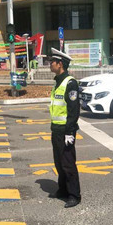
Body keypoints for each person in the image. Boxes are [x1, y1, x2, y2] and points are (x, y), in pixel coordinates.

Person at [48, 48, 81, 208]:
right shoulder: (58, 82)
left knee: (68, 164)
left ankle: (74, 195)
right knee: (59, 163)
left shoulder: (70, 83)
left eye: (52, 62)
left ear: (60, 64)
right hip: (56, 130)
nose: (50, 64)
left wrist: (70, 132)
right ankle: (62, 190)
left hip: (66, 131)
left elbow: (73, 110)